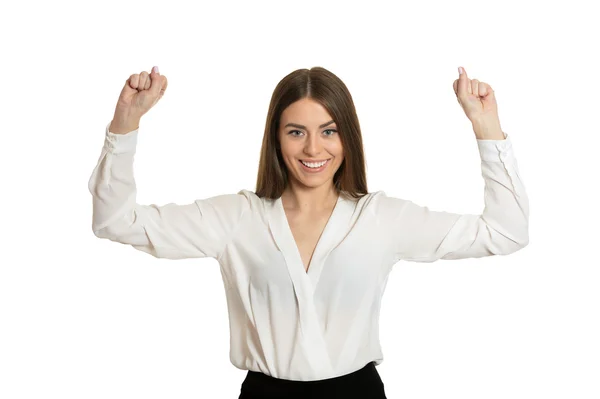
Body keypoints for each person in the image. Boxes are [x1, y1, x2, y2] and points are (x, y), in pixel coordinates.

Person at [88, 65, 529, 399]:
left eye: (328, 131)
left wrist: (485, 127)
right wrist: (125, 121)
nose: (313, 149)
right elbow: (116, 221)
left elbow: (506, 232)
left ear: (347, 137)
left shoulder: (381, 218)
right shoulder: (237, 217)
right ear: (277, 139)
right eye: (296, 131)